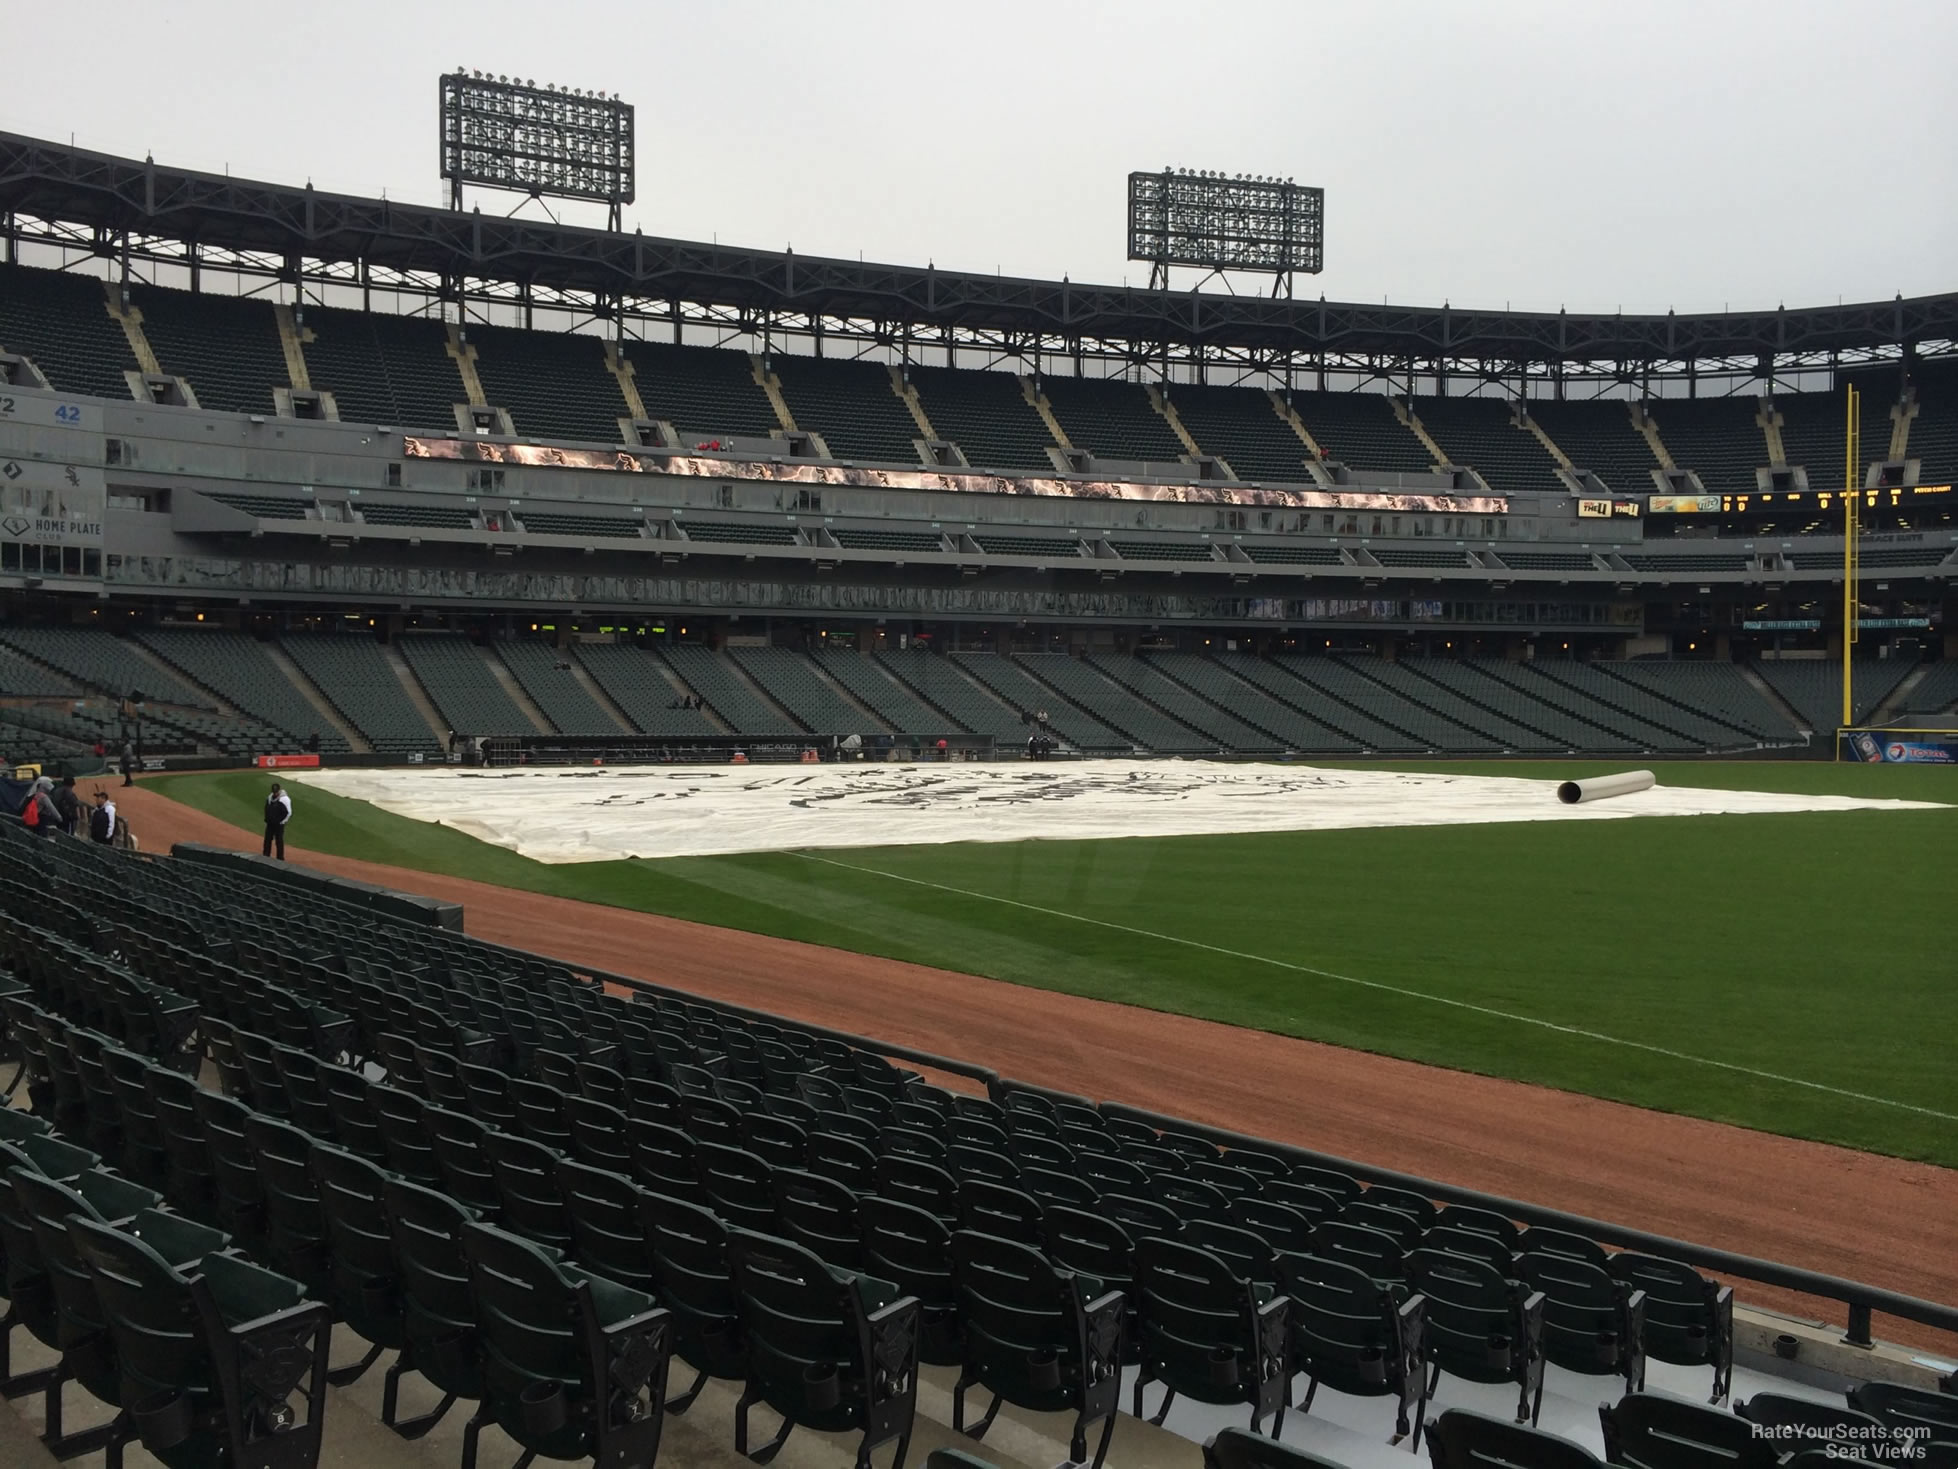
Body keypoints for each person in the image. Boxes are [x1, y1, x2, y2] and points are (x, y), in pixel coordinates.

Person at [263, 782, 292, 860]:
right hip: (270, 823)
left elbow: (288, 813)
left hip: (279, 824)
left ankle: (280, 858)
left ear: (279, 790)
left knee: (279, 841)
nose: (275, 793)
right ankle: (265, 856)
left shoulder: (285, 799)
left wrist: (282, 822)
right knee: (267, 840)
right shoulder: (269, 797)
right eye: (274, 792)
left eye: (276, 792)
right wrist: (267, 818)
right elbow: (266, 808)